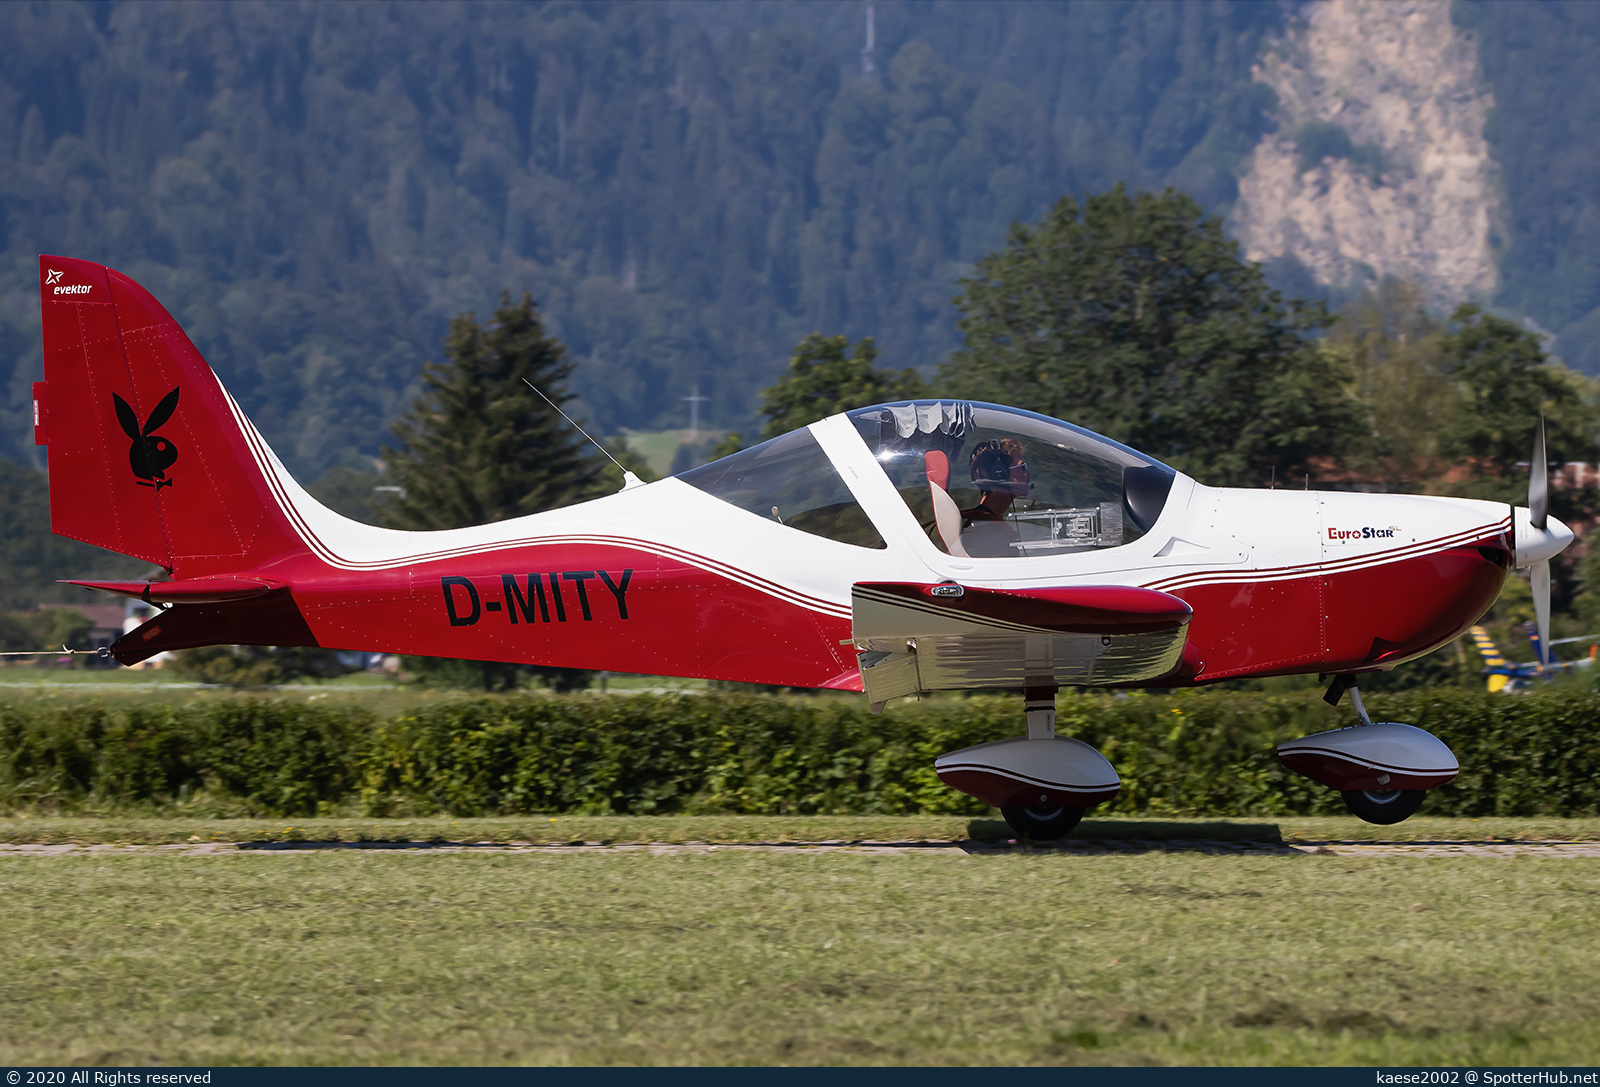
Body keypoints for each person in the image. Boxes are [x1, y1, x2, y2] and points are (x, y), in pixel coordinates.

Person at [959, 438, 1029, 557]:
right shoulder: (983, 531)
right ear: (1000, 475)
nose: (1028, 473)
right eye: (1022, 467)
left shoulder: (989, 523)